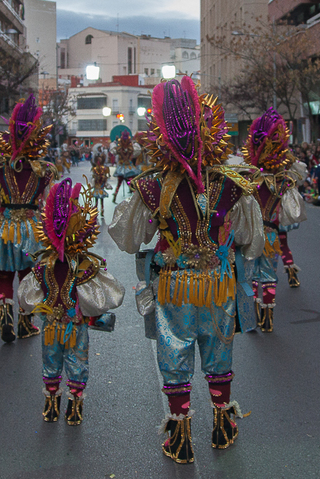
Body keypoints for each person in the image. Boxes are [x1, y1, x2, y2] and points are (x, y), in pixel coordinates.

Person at [109, 76, 264, 464]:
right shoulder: (232, 184)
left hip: (175, 284)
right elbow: (252, 241)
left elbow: (129, 240)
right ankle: (223, 425)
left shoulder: (150, 186)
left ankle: (180, 438)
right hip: (217, 282)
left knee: (175, 351)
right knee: (218, 350)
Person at [18, 178, 124, 425]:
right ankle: (74, 407)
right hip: (76, 327)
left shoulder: (43, 266)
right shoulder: (86, 267)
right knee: (77, 363)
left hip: (51, 327)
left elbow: (26, 298)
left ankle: (51, 404)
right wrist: (87, 314)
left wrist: (46, 310)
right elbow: (109, 297)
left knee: (50, 362)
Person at [0, 95, 57, 343]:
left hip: (4, 225)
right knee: (28, 275)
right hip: (30, 227)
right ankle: (24, 321)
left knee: (4, 275)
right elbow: (50, 204)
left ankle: (5, 313)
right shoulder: (45, 170)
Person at [241, 109, 307, 330]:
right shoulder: (283, 181)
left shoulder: (247, 177)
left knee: (251, 274)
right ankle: (268, 318)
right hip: (270, 233)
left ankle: (253, 315)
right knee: (268, 274)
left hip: (251, 234)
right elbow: (300, 176)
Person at [90, 153, 110, 217]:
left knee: (102, 200)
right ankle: (96, 209)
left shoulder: (104, 168)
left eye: (100, 159)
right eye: (98, 159)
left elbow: (106, 176)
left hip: (101, 185)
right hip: (96, 185)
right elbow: (93, 176)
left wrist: (104, 179)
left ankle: (102, 210)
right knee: (96, 200)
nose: (99, 160)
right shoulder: (95, 168)